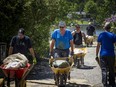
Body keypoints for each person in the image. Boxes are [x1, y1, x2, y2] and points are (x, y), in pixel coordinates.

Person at [96, 22, 116, 87]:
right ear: (110, 28)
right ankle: (112, 83)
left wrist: (96, 55)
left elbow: (98, 46)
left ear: (104, 28)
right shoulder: (113, 35)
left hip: (103, 55)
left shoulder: (101, 35)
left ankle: (105, 83)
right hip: (111, 55)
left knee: (104, 69)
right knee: (111, 69)